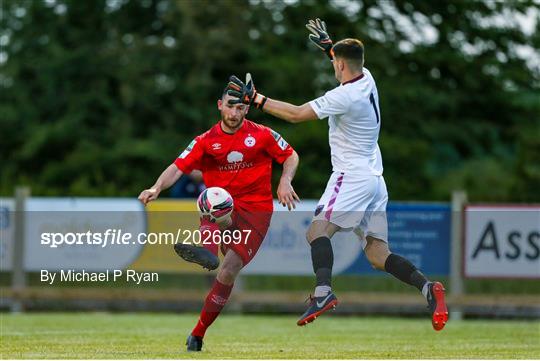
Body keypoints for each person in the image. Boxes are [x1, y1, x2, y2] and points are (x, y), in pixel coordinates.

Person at [226, 18, 448, 331]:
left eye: (335, 63)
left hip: (352, 175)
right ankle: (428, 288)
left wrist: (257, 99)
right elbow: (345, 62)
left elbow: (297, 114)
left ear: (341, 66)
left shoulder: (344, 97)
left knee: (317, 232)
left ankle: (322, 292)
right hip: (375, 178)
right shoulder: (366, 78)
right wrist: (330, 48)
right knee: (376, 253)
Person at [138, 88, 300, 351]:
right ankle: (208, 250)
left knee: (228, 270)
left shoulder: (262, 134)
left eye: (239, 108)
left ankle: (198, 333)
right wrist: (157, 187)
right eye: (229, 106)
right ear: (219, 105)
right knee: (213, 197)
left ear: (247, 109)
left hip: (256, 211)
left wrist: (285, 180)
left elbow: (290, 155)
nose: (234, 113)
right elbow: (178, 166)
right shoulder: (205, 140)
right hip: (224, 207)